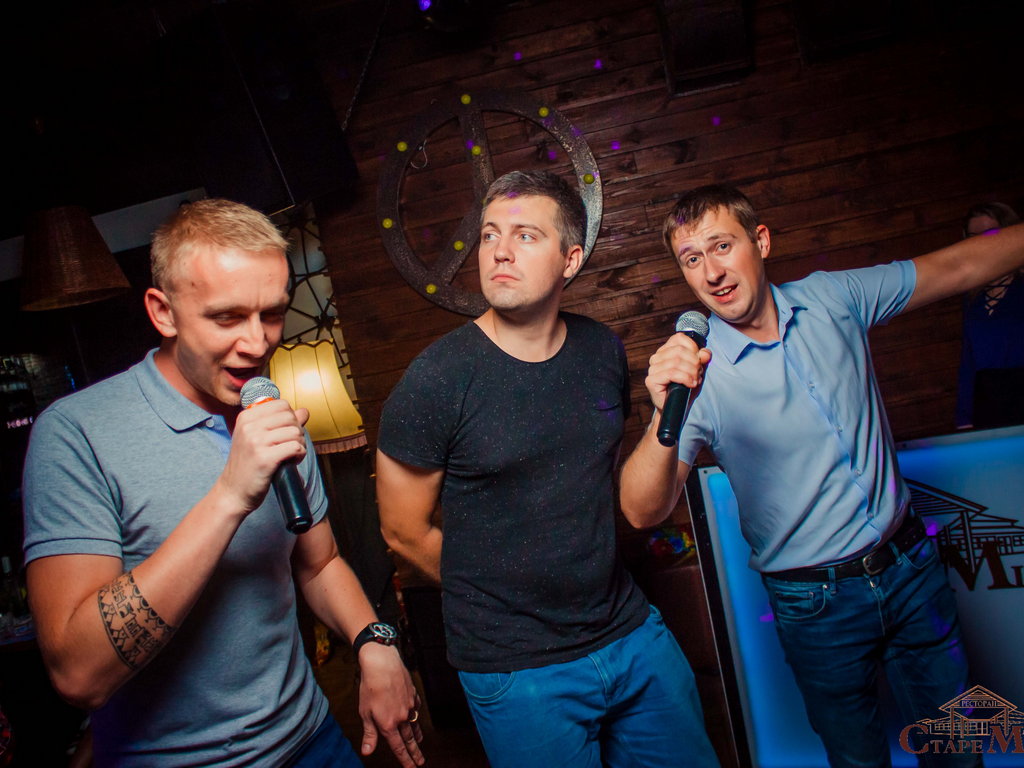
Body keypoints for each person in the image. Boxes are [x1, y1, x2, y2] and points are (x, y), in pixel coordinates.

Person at [620, 184, 1024, 767]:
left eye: (722, 246)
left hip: (911, 569)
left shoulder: (832, 298)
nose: (711, 272)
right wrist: (664, 410)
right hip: (815, 604)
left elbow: (958, 266)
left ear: (760, 241)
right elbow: (641, 511)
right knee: (857, 761)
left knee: (958, 752)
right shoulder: (698, 375)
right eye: (691, 258)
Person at [22, 199, 424, 767]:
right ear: (163, 313)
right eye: (228, 318)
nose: (258, 343)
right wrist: (230, 495)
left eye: (272, 313)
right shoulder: (77, 434)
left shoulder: (272, 415)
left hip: (311, 741)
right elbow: (78, 674)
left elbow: (319, 563)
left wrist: (372, 641)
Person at [376, 170, 718, 768]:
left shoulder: (602, 350)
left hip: (629, 633)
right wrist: (501, 600)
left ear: (571, 259)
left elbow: (624, 498)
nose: (499, 251)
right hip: (517, 670)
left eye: (526, 235)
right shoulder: (436, 379)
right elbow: (403, 530)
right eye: (489, 234)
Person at [956, 201, 1024, 429]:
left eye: (990, 234)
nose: (981, 244)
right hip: (990, 404)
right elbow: (968, 360)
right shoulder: (973, 298)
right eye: (973, 237)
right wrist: (964, 418)